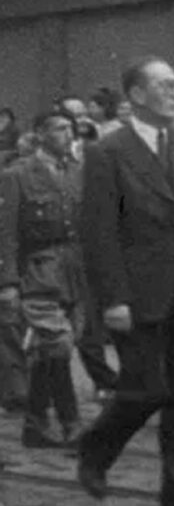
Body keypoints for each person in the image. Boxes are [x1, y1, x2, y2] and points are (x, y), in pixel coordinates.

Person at [76, 57, 174, 506]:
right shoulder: (108, 153)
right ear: (136, 95)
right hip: (139, 293)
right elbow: (98, 233)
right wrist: (114, 299)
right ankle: (95, 450)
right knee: (144, 389)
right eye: (165, 85)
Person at [0, 109, 85, 449]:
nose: (69, 135)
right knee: (58, 345)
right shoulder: (17, 175)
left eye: (71, 129)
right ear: (40, 134)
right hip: (36, 270)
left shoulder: (76, 172)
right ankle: (71, 423)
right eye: (60, 129)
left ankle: (35, 425)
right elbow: (6, 234)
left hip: (71, 272)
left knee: (51, 351)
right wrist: (7, 282)